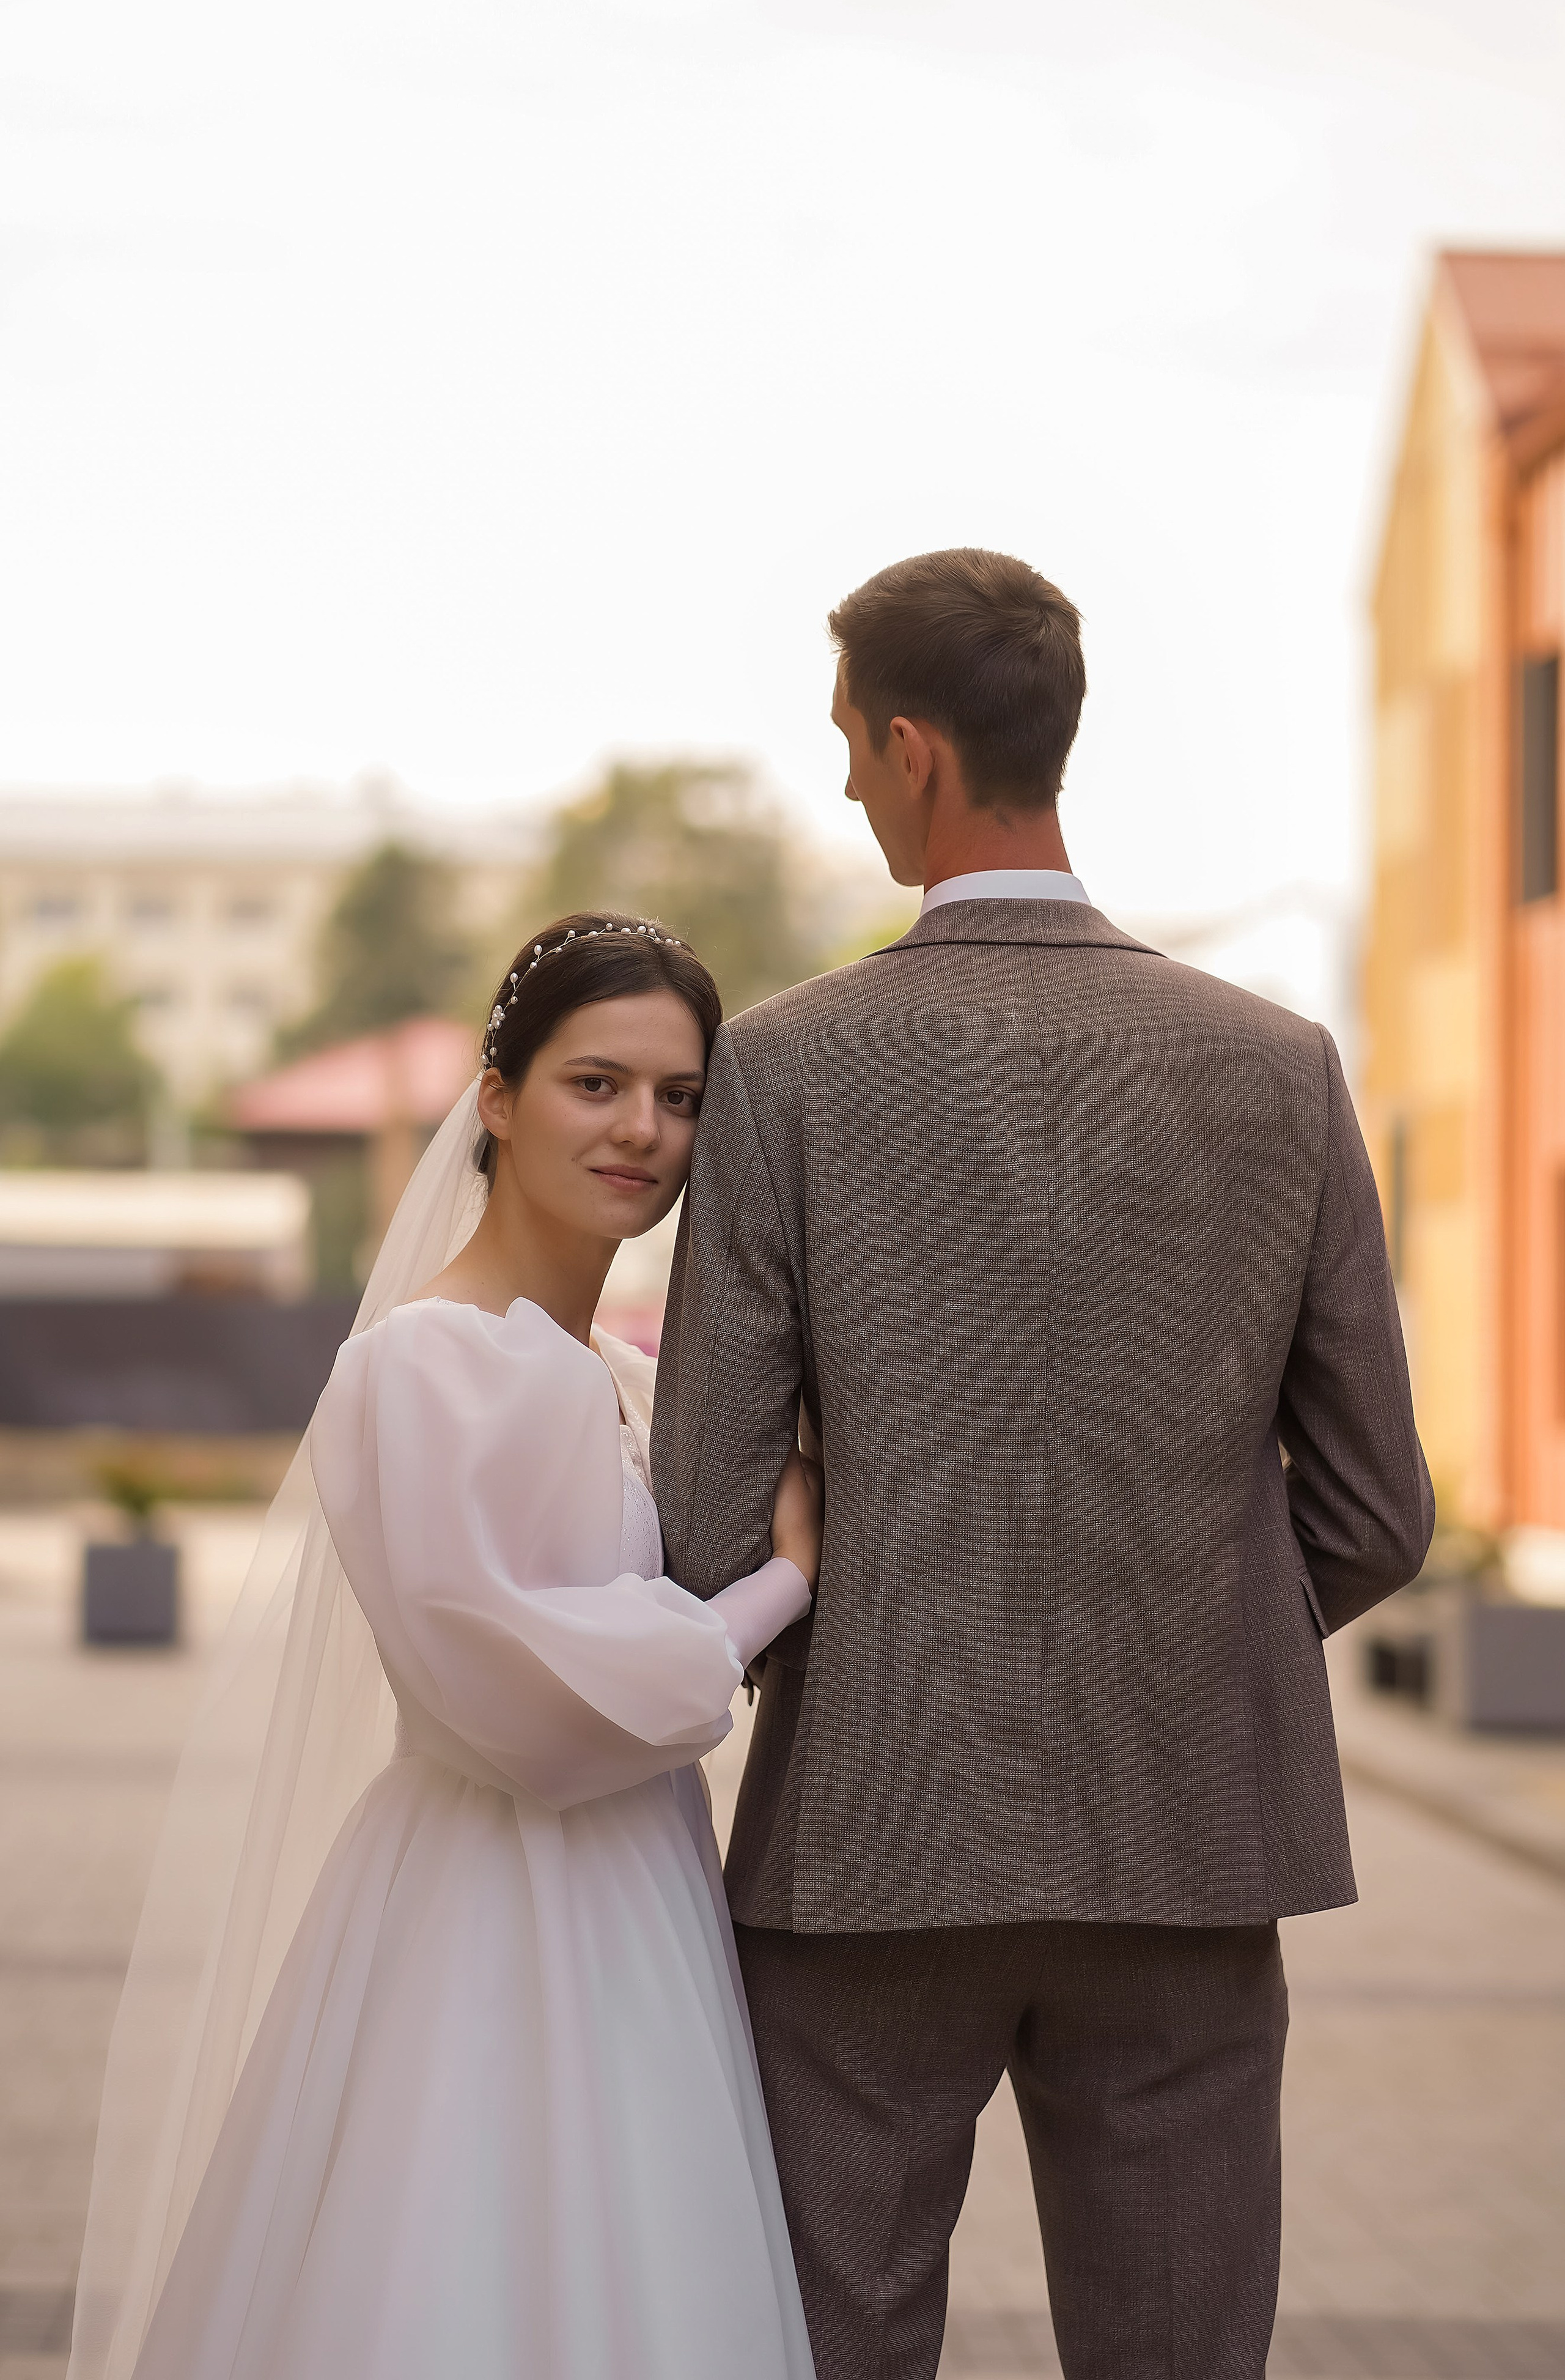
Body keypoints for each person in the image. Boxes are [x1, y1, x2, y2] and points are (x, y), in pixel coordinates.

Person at [652, 548, 1435, 2380]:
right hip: (1185, 1840)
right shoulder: (1278, 1067)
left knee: (829, 2345)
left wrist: (883, 1631)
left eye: (849, 743)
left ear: (915, 749)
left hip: (862, 1853)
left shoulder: (786, 1070)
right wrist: (1191, 1629)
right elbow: (1380, 1506)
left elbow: (703, 1517)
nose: (845, 783)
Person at [68, 914, 820, 2380]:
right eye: (593, 1084)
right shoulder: (424, 1363)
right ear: (495, 1097)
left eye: (679, 1097)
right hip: (485, 1911)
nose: (643, 1132)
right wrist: (780, 1584)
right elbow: (520, 1704)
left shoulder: (621, 1376)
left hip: (642, 1907)